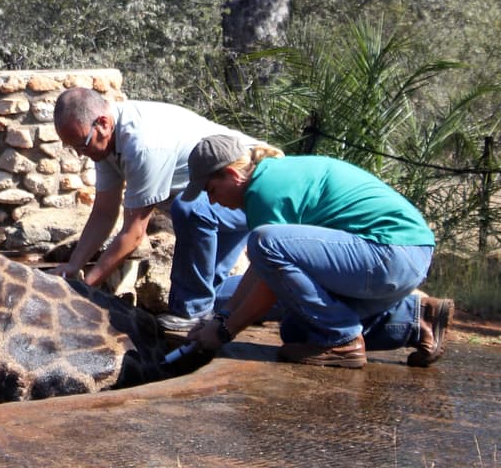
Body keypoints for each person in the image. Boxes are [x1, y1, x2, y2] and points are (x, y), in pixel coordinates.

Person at [183, 134, 453, 368]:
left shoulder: (265, 190)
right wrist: (221, 318)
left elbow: (266, 281)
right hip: (397, 256)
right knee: (297, 331)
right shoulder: (271, 177)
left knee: (264, 241)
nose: (212, 200)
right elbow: (263, 269)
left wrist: (225, 332)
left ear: (232, 175)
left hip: (390, 252)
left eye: (212, 190)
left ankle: (343, 340)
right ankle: (417, 319)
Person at [50, 87, 260, 334]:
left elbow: (134, 232)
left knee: (189, 208)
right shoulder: (104, 143)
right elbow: (105, 213)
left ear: (103, 123)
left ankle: (191, 314)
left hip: (247, 192)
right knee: (217, 293)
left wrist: (85, 288)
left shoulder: (143, 145)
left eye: (82, 145)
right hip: (216, 202)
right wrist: (73, 265)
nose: (80, 154)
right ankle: (280, 296)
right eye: (72, 147)